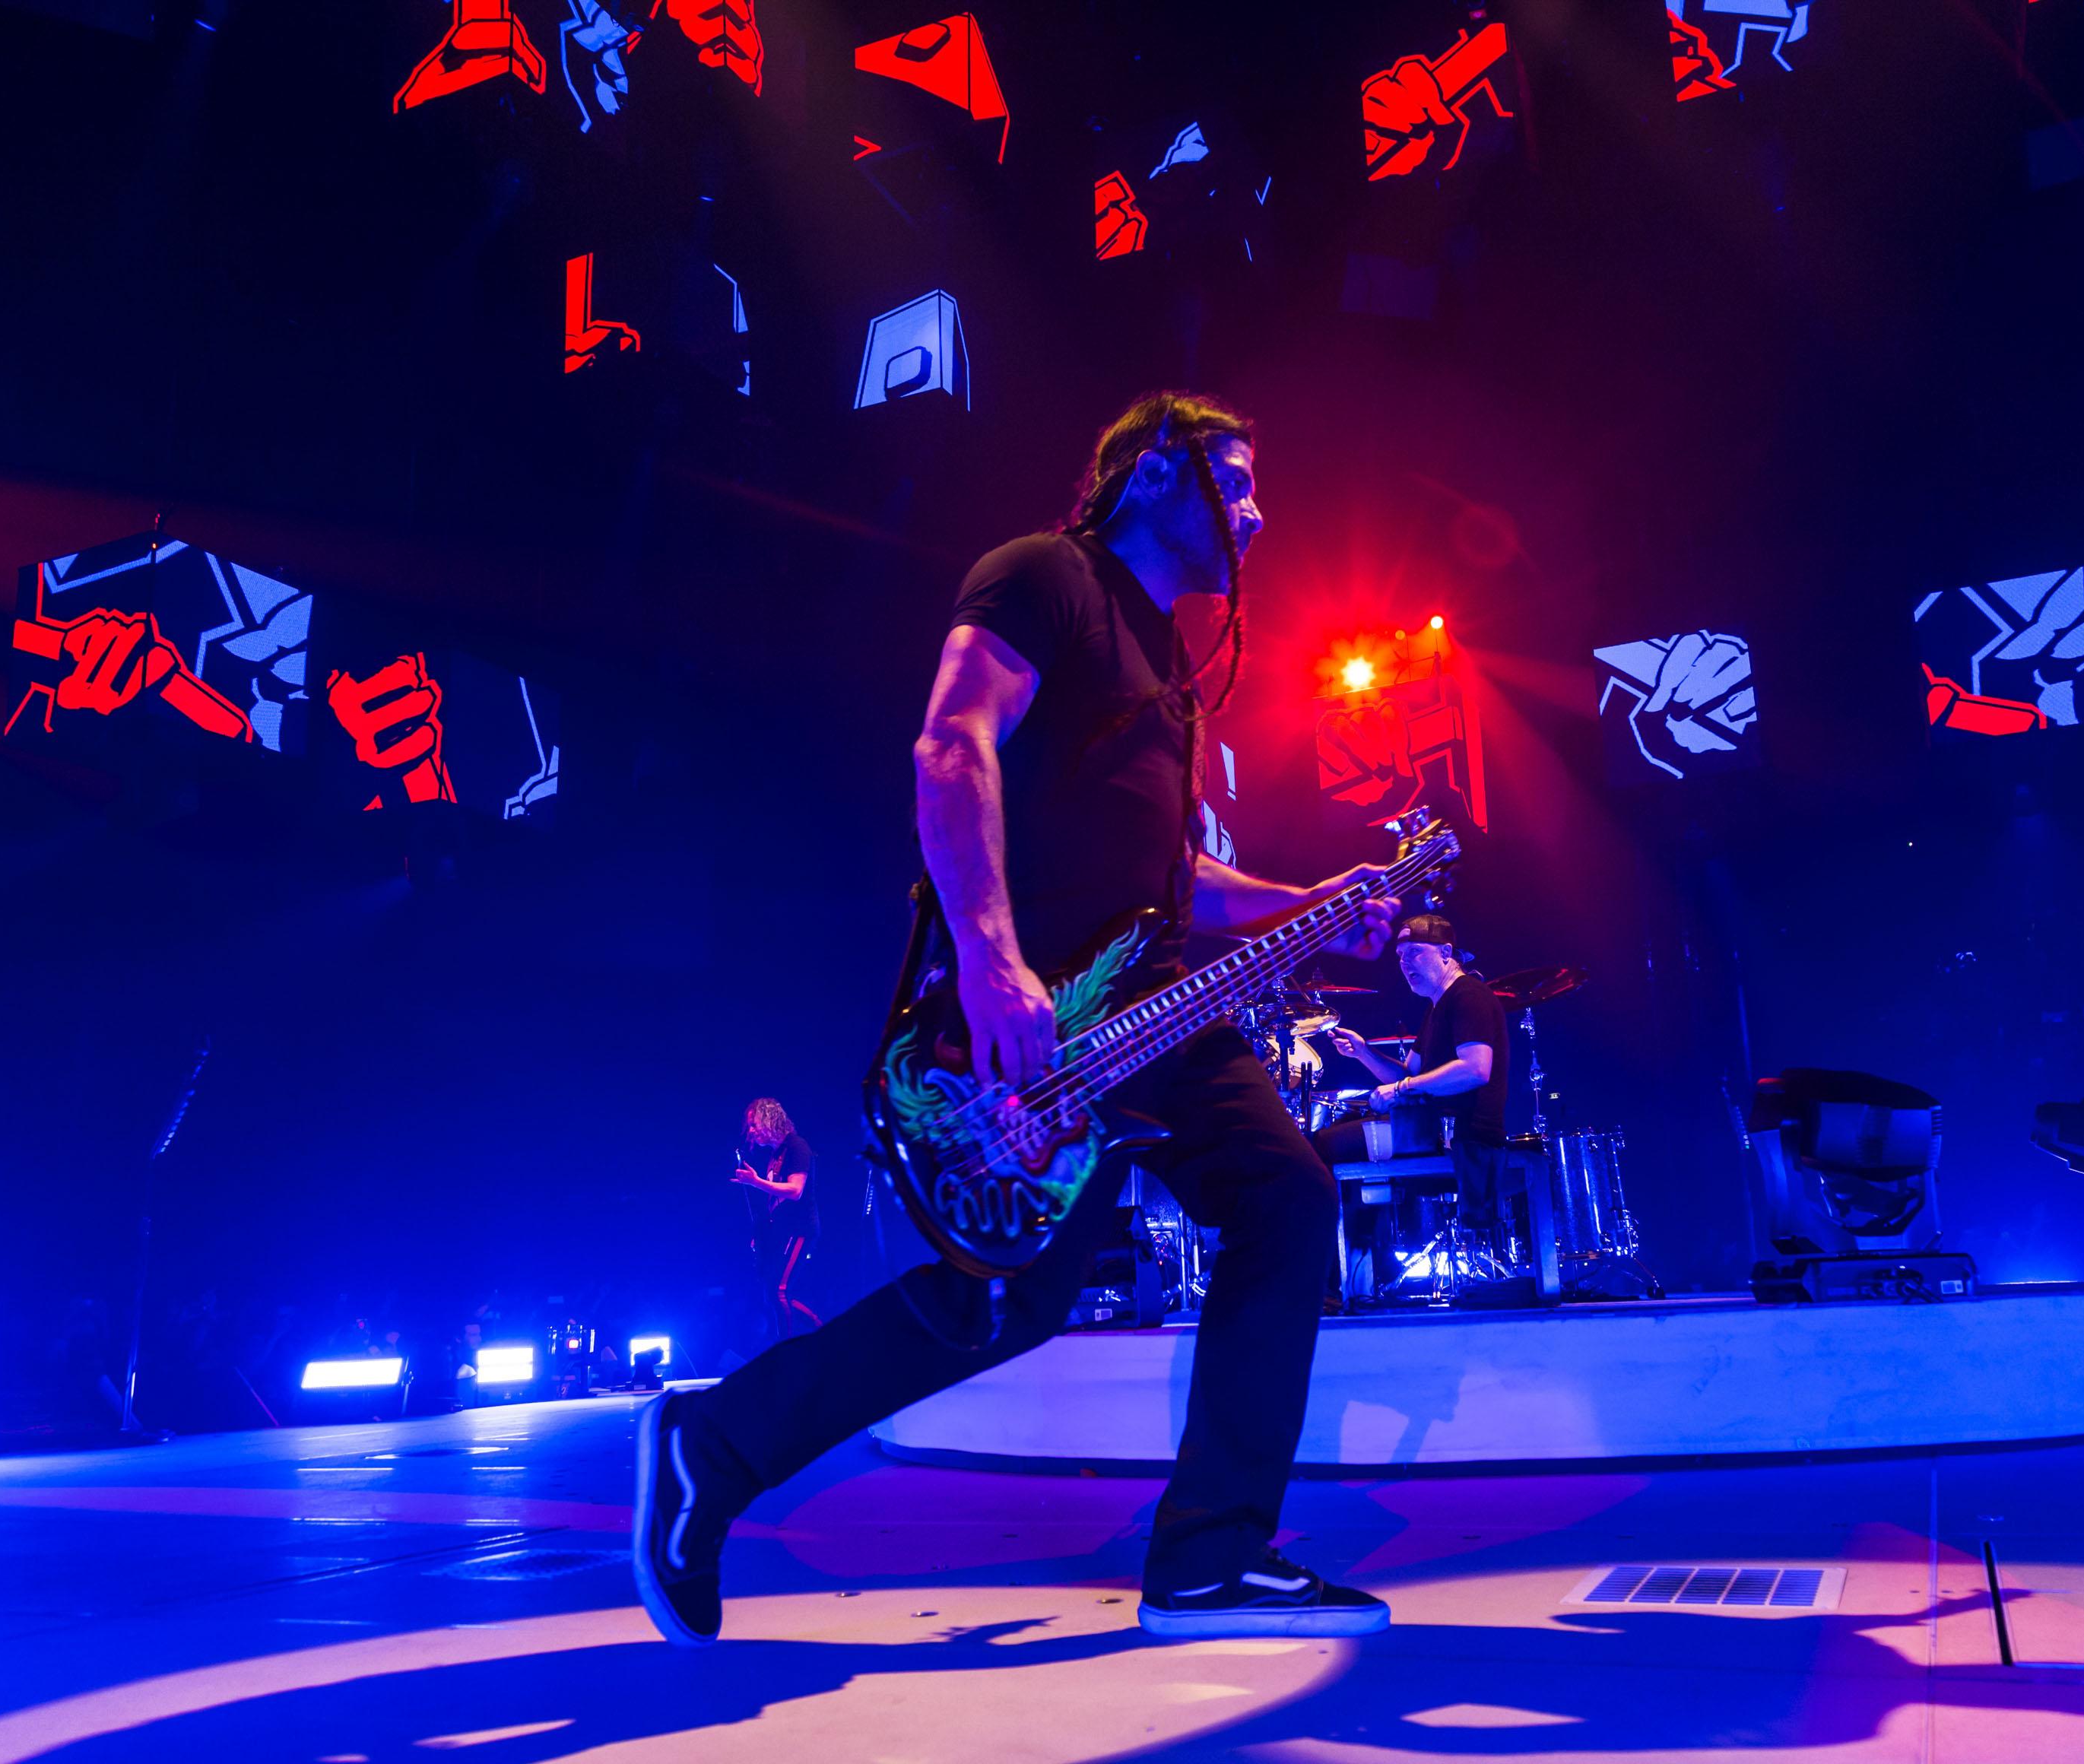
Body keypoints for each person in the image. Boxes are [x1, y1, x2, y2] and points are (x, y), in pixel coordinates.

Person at [633, 392, 1404, 1646]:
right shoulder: (1045, 577)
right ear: (1154, 473)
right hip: (1042, 1014)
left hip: (1158, 1009)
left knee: (1285, 1197)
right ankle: (711, 1446)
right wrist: (994, 965)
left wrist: (1312, 903)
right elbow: (952, 747)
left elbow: (1177, 881)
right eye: (1236, 484)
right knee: (1004, 1305)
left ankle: (1210, 1560)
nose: (1259, 515)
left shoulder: (1168, 671)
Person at [1327, 915, 1511, 1261]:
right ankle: (1367, 1263)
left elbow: (1475, 1069)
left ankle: (1355, 1267)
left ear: (1446, 952)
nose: (1404, 962)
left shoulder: (1469, 996)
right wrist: (1363, 1052)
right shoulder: (1438, 1006)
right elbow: (1406, 1073)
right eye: (1400, 956)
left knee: (1329, 1146)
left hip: (1458, 1135)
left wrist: (1400, 1090)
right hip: (1428, 1130)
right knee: (1336, 1137)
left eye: (1414, 952)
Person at [731, 1097, 820, 1343]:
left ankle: (789, 1347)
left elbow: (795, 1190)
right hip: (783, 1230)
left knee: (779, 1290)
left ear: (769, 1120)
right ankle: (818, 1330)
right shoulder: (777, 1154)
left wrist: (756, 1182)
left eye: (754, 1124)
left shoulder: (797, 1146)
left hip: (800, 1229)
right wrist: (762, 1235)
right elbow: (775, 1201)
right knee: (772, 1292)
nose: (751, 1131)